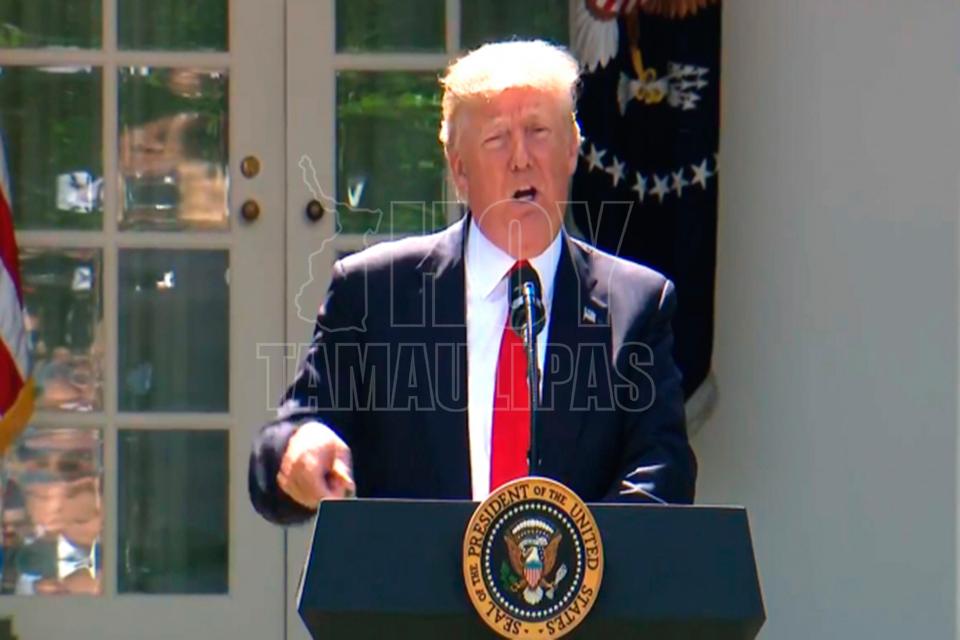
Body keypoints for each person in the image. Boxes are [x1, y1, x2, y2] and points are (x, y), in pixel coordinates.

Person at [249, 40, 697, 526]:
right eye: (497, 138)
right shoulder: (374, 293)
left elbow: (663, 471)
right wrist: (298, 450)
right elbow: (287, 440)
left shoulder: (637, 304)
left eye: (538, 132)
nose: (521, 158)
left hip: (575, 574)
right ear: (459, 168)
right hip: (415, 575)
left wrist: (577, 559)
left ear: (572, 149)